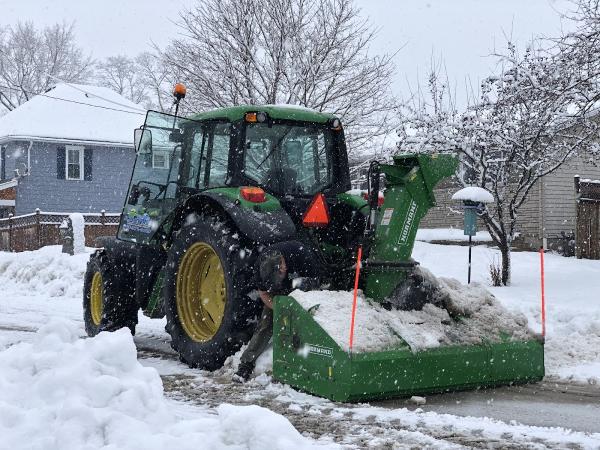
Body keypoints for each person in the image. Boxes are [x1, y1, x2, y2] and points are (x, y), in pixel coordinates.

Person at [233, 241, 319, 382]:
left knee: (307, 322)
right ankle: (246, 365)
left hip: (304, 288)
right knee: (265, 324)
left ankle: (308, 361)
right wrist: (278, 309)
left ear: (283, 266)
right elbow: (264, 293)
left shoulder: (302, 255)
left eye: (280, 275)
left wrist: (298, 306)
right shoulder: (260, 266)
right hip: (279, 293)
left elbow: (319, 285)